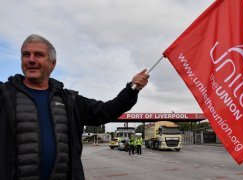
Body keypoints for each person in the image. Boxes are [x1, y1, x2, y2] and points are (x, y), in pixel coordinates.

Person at [0, 34, 149, 180]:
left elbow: (107, 111)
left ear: (52, 63)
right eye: (26, 55)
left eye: (38, 55)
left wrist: (132, 89)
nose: (31, 59)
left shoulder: (70, 101)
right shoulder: (4, 96)